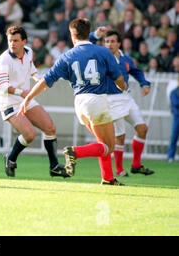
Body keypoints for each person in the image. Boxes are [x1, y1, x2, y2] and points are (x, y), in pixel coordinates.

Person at [20, 18, 128, 186]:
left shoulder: (67, 56)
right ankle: (75, 152)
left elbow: (46, 80)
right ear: (89, 32)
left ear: (73, 35)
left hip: (79, 103)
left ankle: (108, 178)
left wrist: (28, 97)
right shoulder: (103, 52)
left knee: (101, 141)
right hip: (97, 101)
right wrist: (123, 87)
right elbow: (119, 79)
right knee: (109, 146)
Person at [0, 25, 68, 178]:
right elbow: (2, 86)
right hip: (10, 102)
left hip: (25, 99)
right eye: (10, 41)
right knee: (29, 135)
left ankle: (54, 166)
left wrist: (36, 78)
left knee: (50, 128)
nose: (12, 44)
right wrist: (23, 93)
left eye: (15, 40)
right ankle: (11, 158)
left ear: (24, 41)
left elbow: (31, 68)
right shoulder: (4, 59)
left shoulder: (28, 52)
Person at [100, 30, 154, 176]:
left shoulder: (126, 59)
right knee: (120, 136)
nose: (109, 44)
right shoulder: (102, 59)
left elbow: (136, 72)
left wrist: (144, 83)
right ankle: (119, 170)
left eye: (112, 41)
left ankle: (136, 165)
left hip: (126, 98)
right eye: (107, 41)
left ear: (118, 43)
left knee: (142, 128)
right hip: (111, 100)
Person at [167, 77, 179, 163]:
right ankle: (170, 156)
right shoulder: (174, 92)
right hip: (177, 116)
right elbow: (175, 103)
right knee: (174, 137)